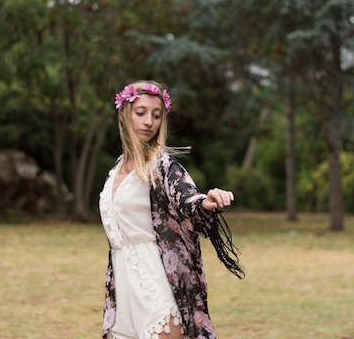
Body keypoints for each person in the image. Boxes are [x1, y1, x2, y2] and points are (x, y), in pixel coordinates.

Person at [99, 80, 245, 339]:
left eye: (156, 115)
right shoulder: (116, 170)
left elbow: (187, 199)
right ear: (125, 114)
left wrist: (206, 203)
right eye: (141, 112)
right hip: (122, 289)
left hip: (158, 281)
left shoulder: (163, 166)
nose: (149, 122)